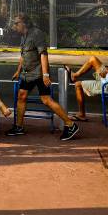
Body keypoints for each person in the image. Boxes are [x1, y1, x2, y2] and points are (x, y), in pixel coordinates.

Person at [6, 13, 79, 141]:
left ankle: (71, 124)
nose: (14, 26)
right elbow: (23, 55)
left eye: (16, 23)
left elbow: (43, 55)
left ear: (24, 23)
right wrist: (18, 71)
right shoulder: (23, 36)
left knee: (46, 100)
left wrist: (45, 75)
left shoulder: (37, 34)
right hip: (26, 74)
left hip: (38, 73)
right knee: (21, 96)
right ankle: (19, 127)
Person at [65, 56, 108, 121]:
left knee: (93, 59)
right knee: (78, 85)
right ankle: (81, 114)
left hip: (106, 85)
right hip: (105, 79)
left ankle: (74, 76)